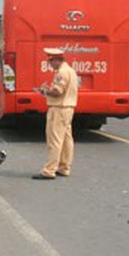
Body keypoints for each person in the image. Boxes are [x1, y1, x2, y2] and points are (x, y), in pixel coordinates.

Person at [32, 48, 78, 180]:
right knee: (66, 139)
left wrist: (44, 91)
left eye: (51, 60)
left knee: (55, 140)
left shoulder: (62, 73)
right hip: (68, 107)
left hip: (59, 108)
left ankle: (49, 170)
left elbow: (58, 91)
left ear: (57, 60)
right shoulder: (71, 71)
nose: (50, 63)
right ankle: (64, 167)